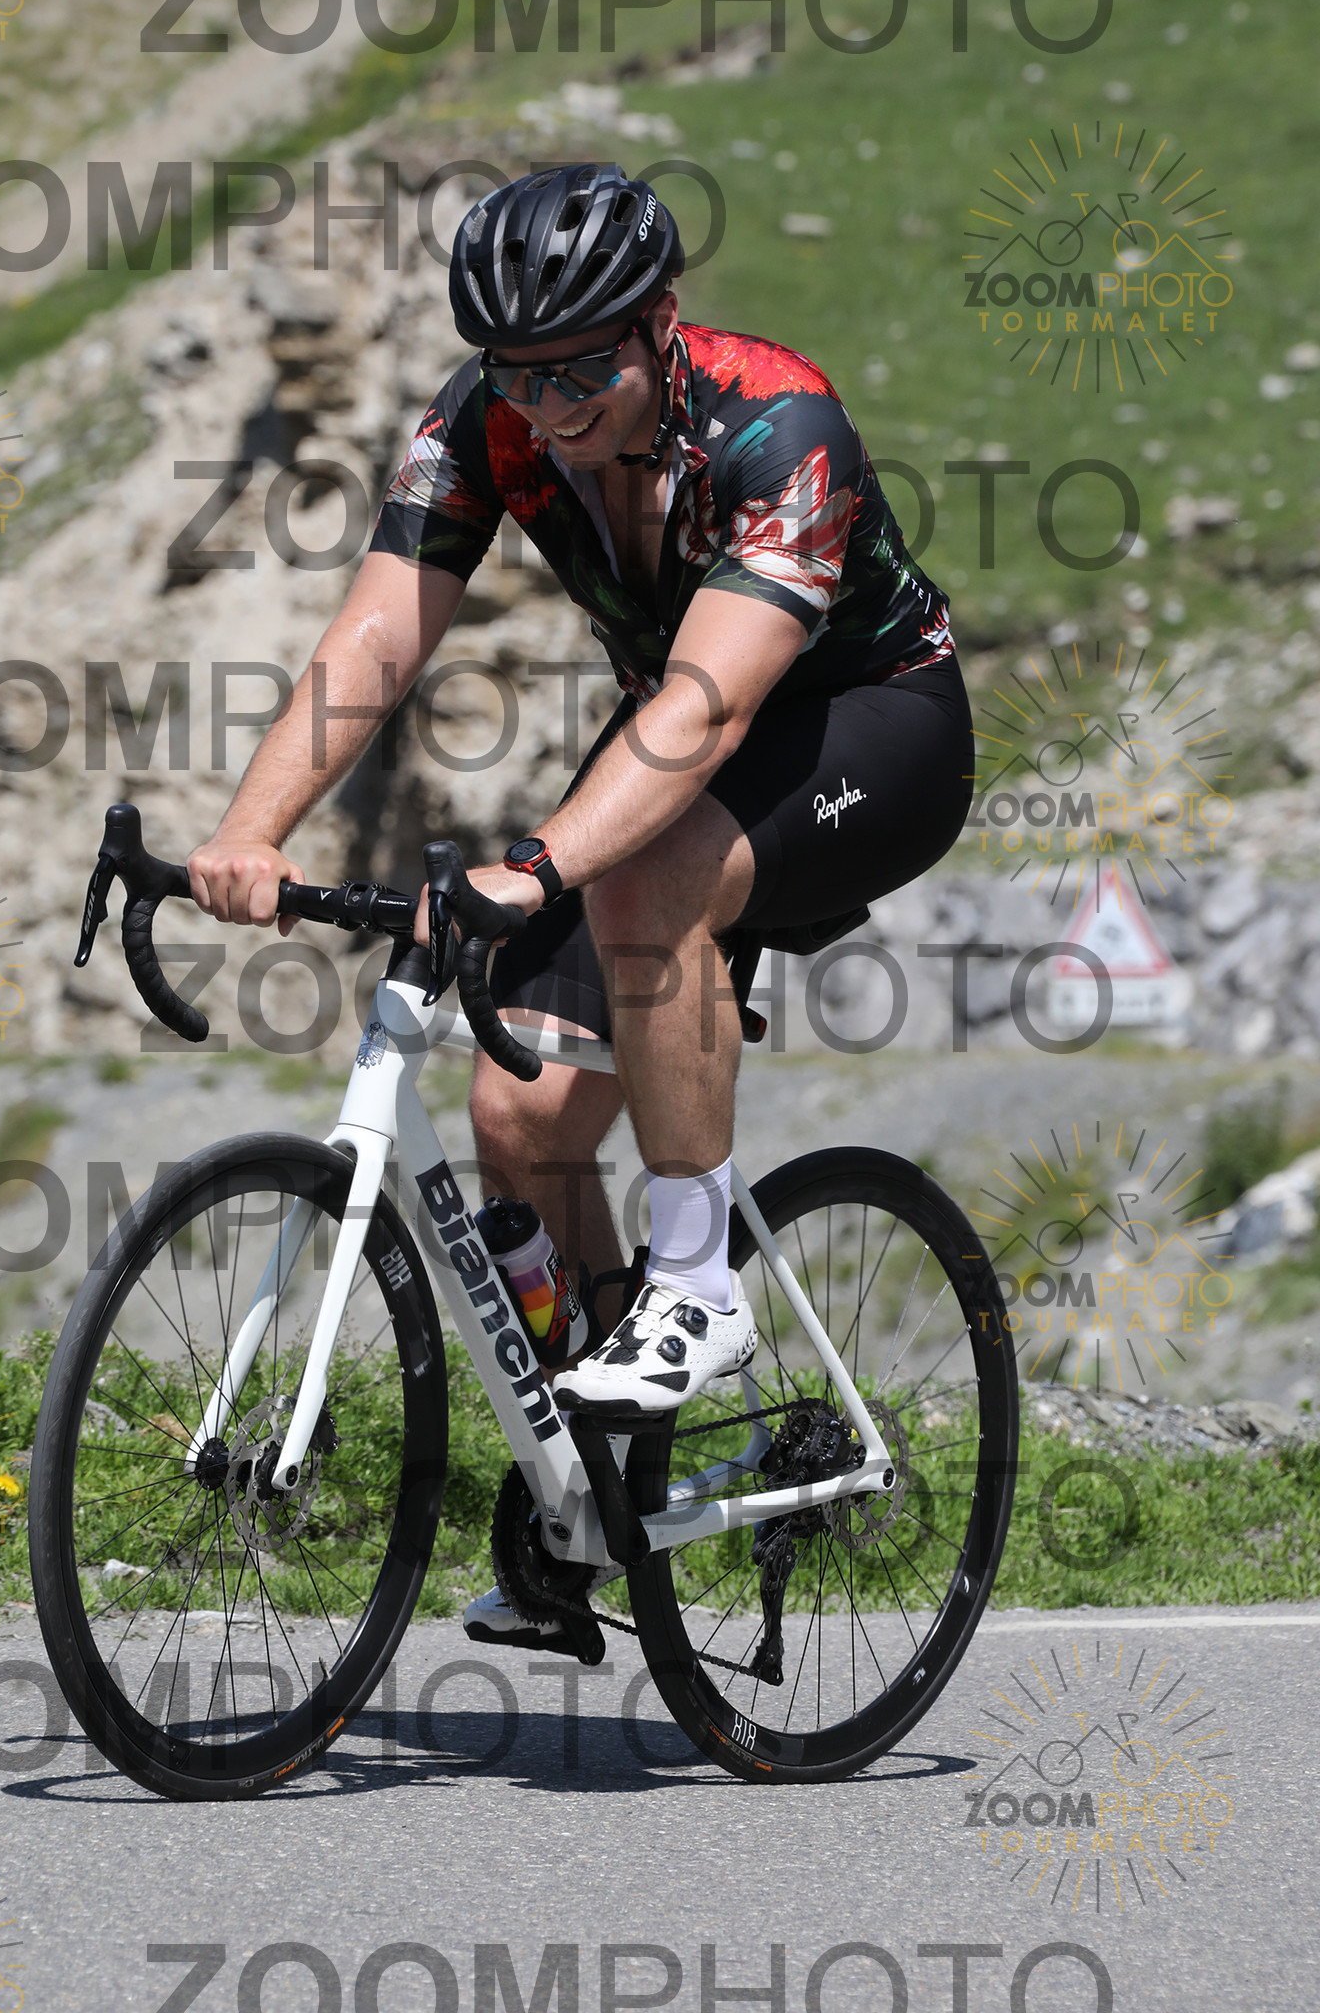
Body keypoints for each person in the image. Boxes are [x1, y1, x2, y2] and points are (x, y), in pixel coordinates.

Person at [188, 163, 974, 1648]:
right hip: (685, 726)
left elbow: (705, 708)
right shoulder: (488, 419)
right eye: (518, 377)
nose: (548, 412)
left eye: (579, 375)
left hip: (869, 726)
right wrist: (250, 827)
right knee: (522, 1114)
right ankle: (606, 1485)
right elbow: (375, 636)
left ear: (659, 323)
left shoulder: (778, 426)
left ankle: (699, 1285)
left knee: (646, 884)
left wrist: (538, 864)